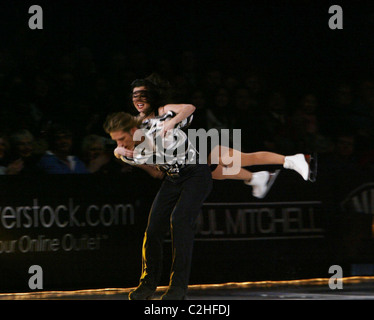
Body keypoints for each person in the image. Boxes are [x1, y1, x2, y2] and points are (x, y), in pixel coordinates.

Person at [117, 75, 317, 199]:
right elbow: (121, 144)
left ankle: (293, 160)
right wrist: (118, 151)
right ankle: (256, 178)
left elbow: (189, 108)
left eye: (143, 95)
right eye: (135, 96)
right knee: (216, 173)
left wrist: (171, 121)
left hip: (198, 145)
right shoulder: (134, 123)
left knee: (243, 158)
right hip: (185, 162)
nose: (139, 100)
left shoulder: (163, 109)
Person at [103, 111, 213, 300]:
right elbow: (132, 156)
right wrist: (119, 151)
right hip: (173, 178)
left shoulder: (158, 131)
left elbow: (188, 113)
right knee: (153, 228)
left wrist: (171, 121)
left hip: (195, 173)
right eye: (116, 141)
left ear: (133, 130)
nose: (120, 144)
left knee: (179, 221)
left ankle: (178, 287)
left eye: (121, 139)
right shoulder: (131, 147)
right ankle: (147, 284)